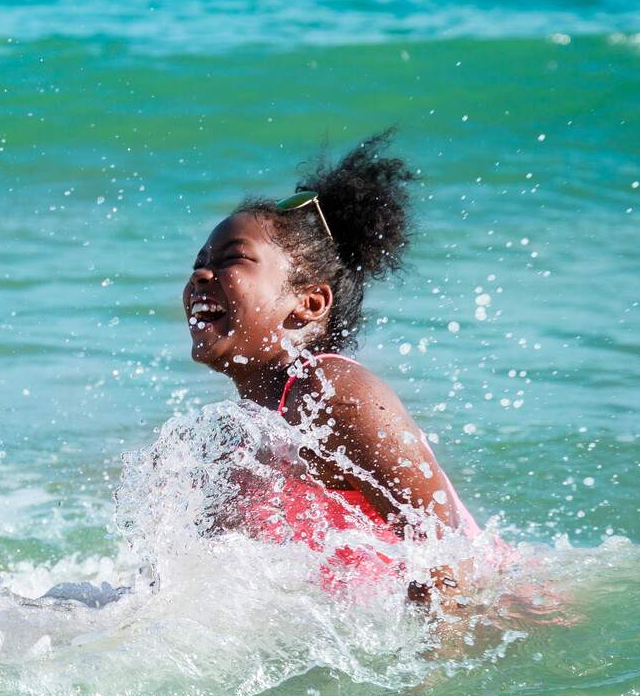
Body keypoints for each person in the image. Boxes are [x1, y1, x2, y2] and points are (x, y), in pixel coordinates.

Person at [182, 130, 480, 602]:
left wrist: (430, 674)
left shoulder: (332, 395)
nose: (200, 274)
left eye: (232, 260)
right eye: (199, 263)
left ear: (309, 303)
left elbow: (447, 554)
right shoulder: (236, 435)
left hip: (506, 617)